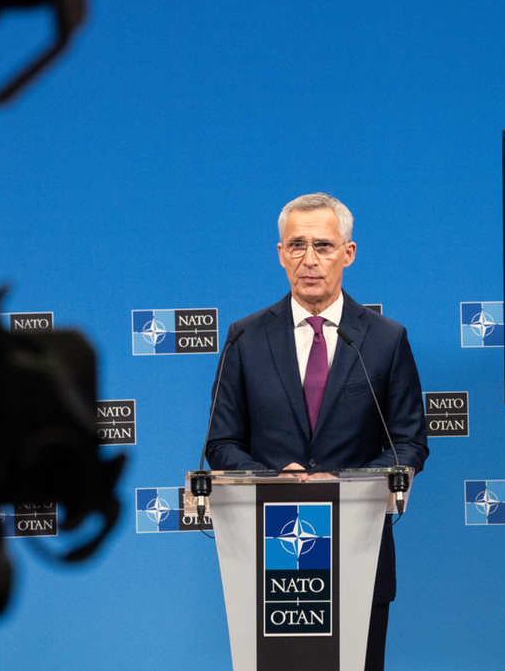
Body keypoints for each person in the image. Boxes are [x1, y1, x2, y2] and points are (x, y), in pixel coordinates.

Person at [205, 192, 428, 671]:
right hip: (272, 556)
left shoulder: (387, 339)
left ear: (348, 253)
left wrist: (351, 483)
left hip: (358, 552)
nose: (310, 260)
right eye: (297, 245)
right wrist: (271, 480)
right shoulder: (245, 337)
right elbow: (220, 443)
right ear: (281, 254)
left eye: (324, 246)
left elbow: (409, 443)